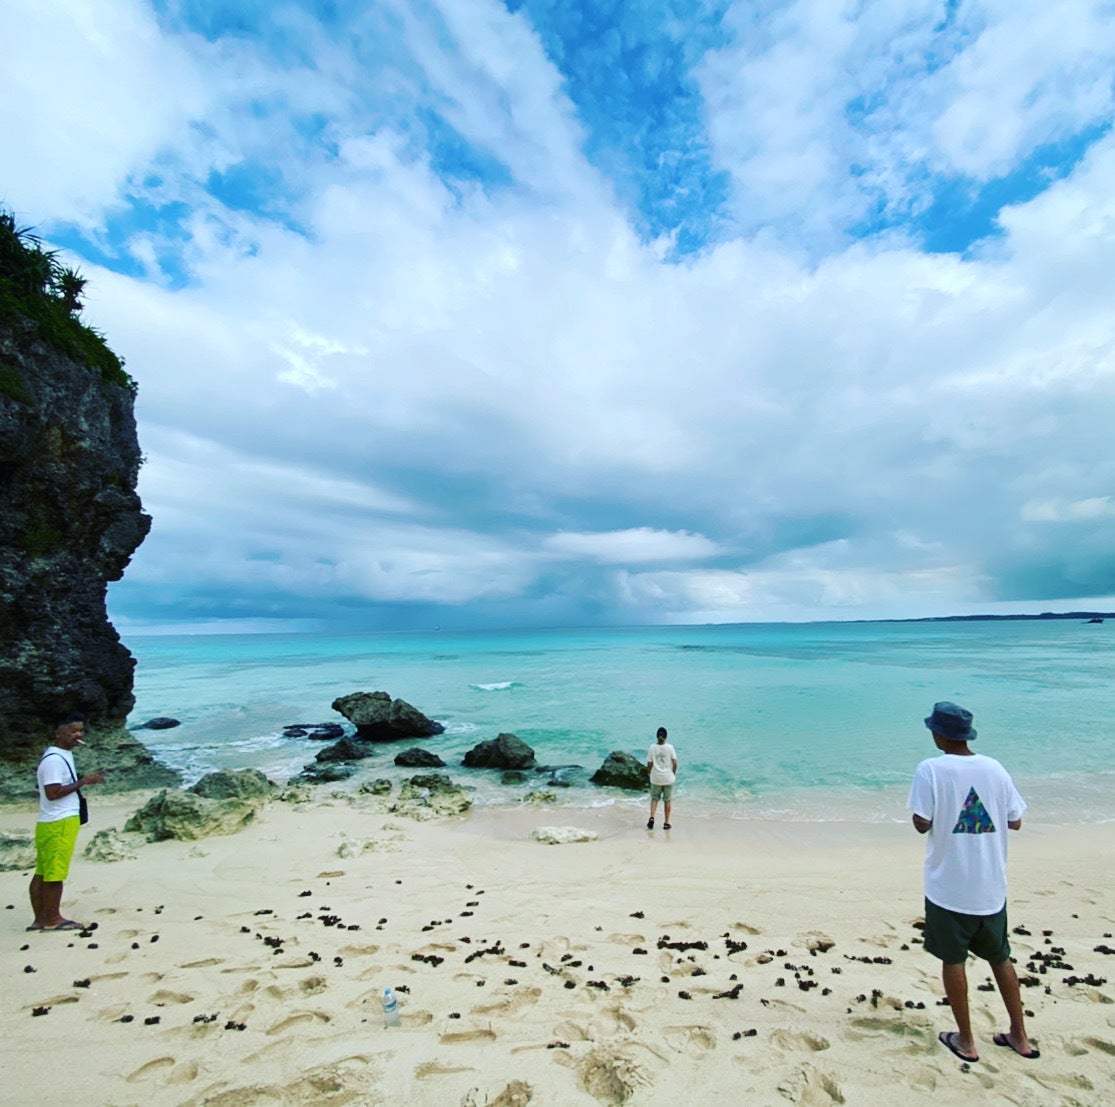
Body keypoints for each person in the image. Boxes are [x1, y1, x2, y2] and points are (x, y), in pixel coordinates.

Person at [908, 701, 1038, 1064]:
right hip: (991, 888)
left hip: (948, 888)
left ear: (939, 734)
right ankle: (1020, 1035)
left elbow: (921, 822)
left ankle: (966, 1041)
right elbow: (1015, 821)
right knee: (1001, 958)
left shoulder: (930, 769)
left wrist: (952, 813)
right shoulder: (995, 768)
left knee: (953, 961)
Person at [28, 712, 103, 932]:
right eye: (72, 731)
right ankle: (53, 919)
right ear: (58, 733)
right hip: (59, 821)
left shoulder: (59, 755)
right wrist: (84, 781)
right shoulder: (54, 760)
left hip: (51, 821)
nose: (77, 735)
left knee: (43, 872)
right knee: (54, 874)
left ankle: (40, 919)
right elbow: (52, 792)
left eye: (80, 730)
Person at [646, 726, 677, 830]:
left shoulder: (652, 747)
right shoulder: (670, 748)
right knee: (667, 801)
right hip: (668, 778)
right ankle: (666, 823)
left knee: (654, 799)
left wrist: (649, 774)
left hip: (656, 778)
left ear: (657, 736)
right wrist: (673, 773)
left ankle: (652, 817)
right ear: (666, 736)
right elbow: (675, 763)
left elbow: (649, 764)